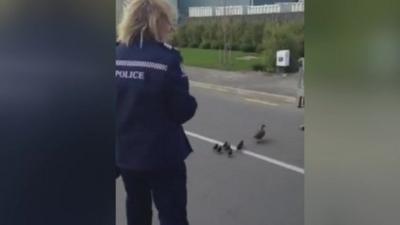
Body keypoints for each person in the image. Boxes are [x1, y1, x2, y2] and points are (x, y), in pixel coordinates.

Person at [115, 0, 198, 225]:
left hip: (127, 156)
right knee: (172, 215)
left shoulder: (115, 54)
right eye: (168, 22)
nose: (170, 28)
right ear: (156, 22)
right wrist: (192, 102)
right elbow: (182, 111)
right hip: (163, 157)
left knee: (137, 211)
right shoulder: (167, 60)